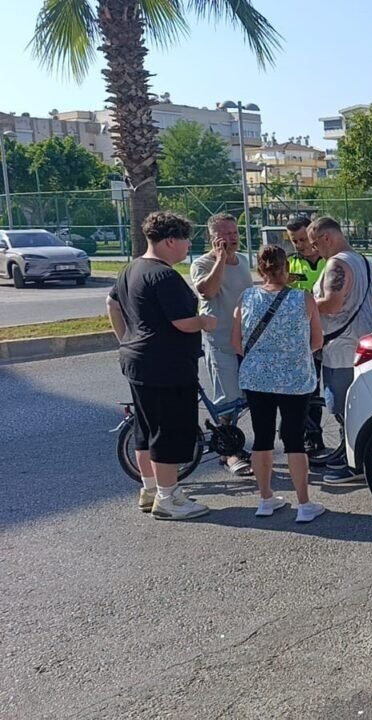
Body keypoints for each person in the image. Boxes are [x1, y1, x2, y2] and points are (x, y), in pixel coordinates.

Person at [106, 212, 216, 520]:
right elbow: (183, 322)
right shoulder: (164, 276)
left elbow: (111, 304)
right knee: (169, 430)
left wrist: (126, 339)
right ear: (169, 241)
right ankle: (169, 498)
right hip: (167, 365)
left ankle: (150, 489)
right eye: (185, 239)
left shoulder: (130, 269)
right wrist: (205, 321)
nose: (188, 245)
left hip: (138, 360)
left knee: (146, 428)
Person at [231, 244, 326, 523]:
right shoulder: (303, 298)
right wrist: (294, 355)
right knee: (295, 440)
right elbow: (317, 340)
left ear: (260, 270)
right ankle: (304, 503)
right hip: (295, 378)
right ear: (286, 268)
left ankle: (265, 499)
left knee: (262, 438)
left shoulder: (246, 297)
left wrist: (262, 358)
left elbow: (235, 342)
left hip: (256, 378)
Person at [308, 216, 372, 484]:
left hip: (341, 348)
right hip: (364, 343)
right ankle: (354, 457)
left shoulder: (336, 264)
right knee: (359, 405)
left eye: (315, 244)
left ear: (327, 237)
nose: (315, 250)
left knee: (343, 408)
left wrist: (303, 303)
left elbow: (332, 304)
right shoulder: (363, 261)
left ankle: (354, 464)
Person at [190, 213, 254, 476]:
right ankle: (229, 454)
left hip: (247, 342)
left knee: (246, 398)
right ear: (212, 238)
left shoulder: (244, 261)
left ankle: (233, 443)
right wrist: (220, 260)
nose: (232, 238)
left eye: (234, 232)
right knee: (227, 399)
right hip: (221, 342)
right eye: (225, 234)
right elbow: (208, 291)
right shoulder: (202, 264)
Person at [284, 214, 330, 458]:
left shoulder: (329, 261)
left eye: (303, 239)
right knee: (308, 390)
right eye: (295, 241)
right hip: (301, 338)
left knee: (330, 389)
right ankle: (311, 438)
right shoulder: (289, 264)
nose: (300, 245)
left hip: (330, 335)